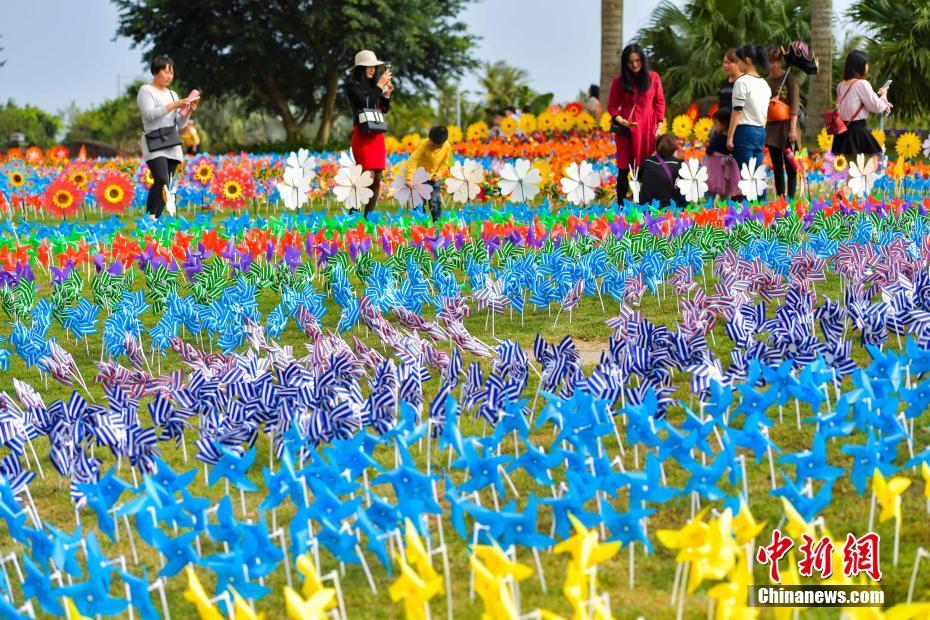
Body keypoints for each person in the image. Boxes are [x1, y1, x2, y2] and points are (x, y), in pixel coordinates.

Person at [137, 55, 199, 220]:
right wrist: (174, 105)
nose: (169, 76)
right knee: (161, 178)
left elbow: (179, 123)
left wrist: (189, 110)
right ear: (155, 72)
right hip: (154, 141)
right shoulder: (146, 90)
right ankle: (149, 216)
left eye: (172, 72)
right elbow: (149, 115)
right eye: (166, 72)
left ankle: (154, 220)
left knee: (167, 184)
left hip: (171, 142)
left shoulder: (173, 94)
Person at [607, 43, 666, 202]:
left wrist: (659, 126)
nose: (634, 65)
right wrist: (621, 121)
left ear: (643, 60)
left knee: (646, 166)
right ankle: (621, 205)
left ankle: (645, 203)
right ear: (625, 63)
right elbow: (612, 106)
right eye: (630, 62)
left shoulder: (653, 78)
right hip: (626, 130)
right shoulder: (618, 82)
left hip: (648, 128)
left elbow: (659, 102)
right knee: (624, 167)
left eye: (638, 61)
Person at [345, 49, 394, 219]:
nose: (372, 69)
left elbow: (383, 108)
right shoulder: (352, 85)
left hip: (377, 136)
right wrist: (380, 86)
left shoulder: (375, 86)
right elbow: (367, 103)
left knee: (377, 176)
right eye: (368, 66)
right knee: (365, 176)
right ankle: (353, 215)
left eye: (374, 66)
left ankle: (368, 218)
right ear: (360, 68)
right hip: (363, 135)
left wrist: (386, 94)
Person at [831, 50, 892, 162]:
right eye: (866, 63)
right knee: (869, 165)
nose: (867, 66)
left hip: (843, 130)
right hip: (857, 131)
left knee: (854, 168)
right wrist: (884, 95)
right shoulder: (862, 84)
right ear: (860, 66)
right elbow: (877, 107)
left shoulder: (840, 86)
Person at [727, 45, 771, 179]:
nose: (737, 64)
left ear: (746, 60)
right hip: (760, 131)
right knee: (757, 175)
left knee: (745, 175)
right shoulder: (764, 84)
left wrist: (729, 137)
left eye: (738, 60)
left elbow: (737, 112)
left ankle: (745, 200)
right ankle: (760, 200)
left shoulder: (742, 82)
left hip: (744, 131)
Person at [765, 47, 800, 199]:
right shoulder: (765, 81)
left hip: (788, 126)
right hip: (772, 128)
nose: (774, 65)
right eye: (771, 62)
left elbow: (795, 104)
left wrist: (792, 129)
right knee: (777, 167)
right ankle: (780, 199)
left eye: (777, 61)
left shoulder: (789, 78)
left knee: (791, 166)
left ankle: (791, 199)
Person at [405, 125, 451, 222]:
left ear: (442, 143)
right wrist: (409, 177)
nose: (433, 146)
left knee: (435, 202)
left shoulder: (447, 147)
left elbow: (444, 163)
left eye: (436, 145)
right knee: (419, 202)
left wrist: (438, 175)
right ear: (429, 138)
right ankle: (420, 222)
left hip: (434, 178)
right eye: (432, 143)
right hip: (420, 178)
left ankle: (437, 222)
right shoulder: (424, 145)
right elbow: (413, 159)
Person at [639, 134, 683, 208]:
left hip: (646, 206)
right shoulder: (678, 164)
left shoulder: (647, 161)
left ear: (657, 147)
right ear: (674, 149)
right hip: (668, 207)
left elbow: (638, 178)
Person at [706, 108, 740, 199]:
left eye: (716, 124)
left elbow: (708, 151)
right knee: (726, 191)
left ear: (724, 124)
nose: (715, 127)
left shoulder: (716, 138)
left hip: (715, 170)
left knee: (710, 192)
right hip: (727, 170)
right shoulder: (733, 138)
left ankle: (708, 209)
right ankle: (726, 209)